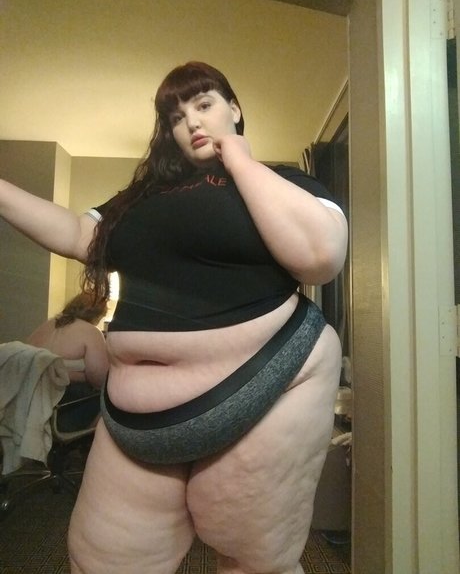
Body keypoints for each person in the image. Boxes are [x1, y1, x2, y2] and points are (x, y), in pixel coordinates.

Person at [0, 62, 348, 574]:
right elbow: (76, 234)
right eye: (176, 117)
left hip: (265, 386)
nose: (191, 122)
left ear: (234, 108)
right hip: (134, 416)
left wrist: (239, 158)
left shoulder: (284, 180)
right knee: (100, 562)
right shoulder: (141, 196)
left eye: (204, 104)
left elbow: (320, 255)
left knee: (254, 562)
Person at [26, 291, 109, 389]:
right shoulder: (92, 332)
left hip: (29, 387)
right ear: (97, 315)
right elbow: (99, 380)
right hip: (65, 394)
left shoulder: (49, 324)